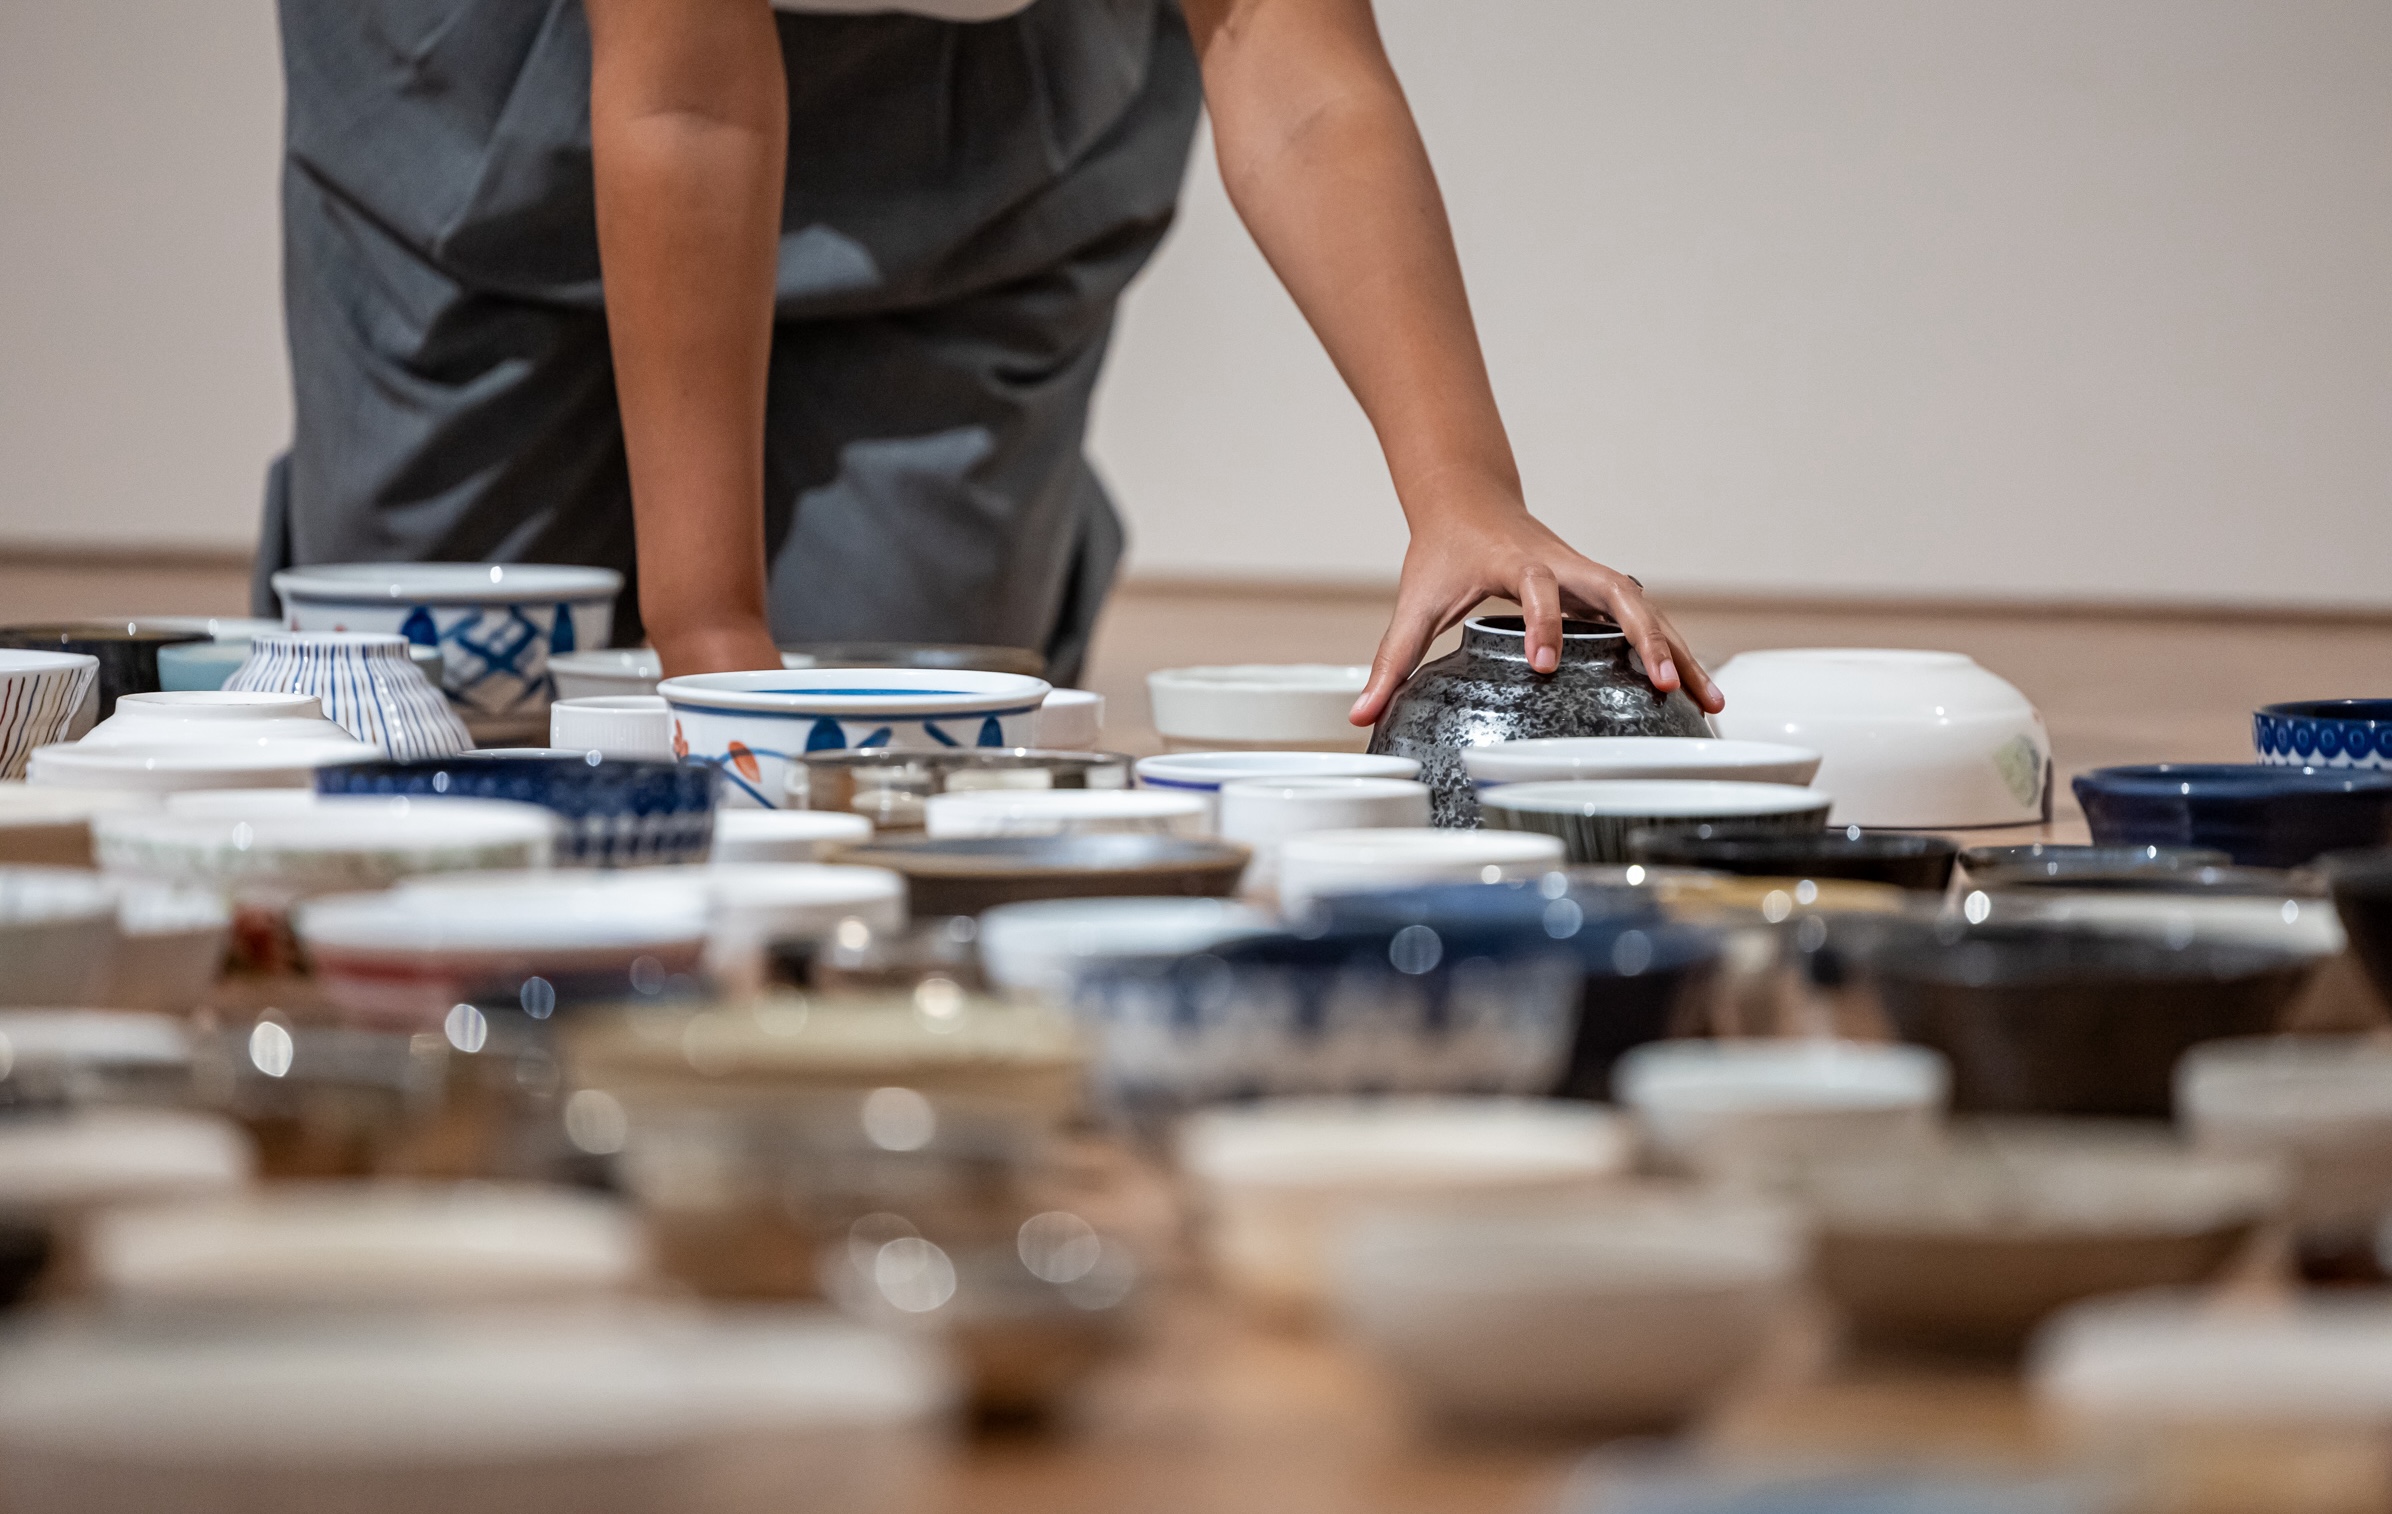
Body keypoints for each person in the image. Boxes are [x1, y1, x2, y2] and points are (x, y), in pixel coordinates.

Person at [258, 0, 1722, 724]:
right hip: (513, 87)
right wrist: (708, 637)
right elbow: (685, 95)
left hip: (988, 109)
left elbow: (1288, 53)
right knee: (434, 701)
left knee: (917, 735)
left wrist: (1461, 489)